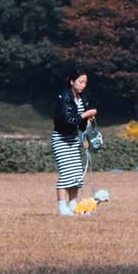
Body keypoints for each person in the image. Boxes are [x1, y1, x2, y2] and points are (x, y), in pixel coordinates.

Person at [51, 70, 98, 216]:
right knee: (66, 173)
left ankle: (73, 206)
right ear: (72, 81)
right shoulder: (64, 98)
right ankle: (62, 208)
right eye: (80, 82)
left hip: (73, 139)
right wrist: (85, 114)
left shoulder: (83, 98)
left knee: (77, 174)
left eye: (85, 83)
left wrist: (89, 125)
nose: (83, 85)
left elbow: (81, 125)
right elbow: (68, 121)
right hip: (60, 139)